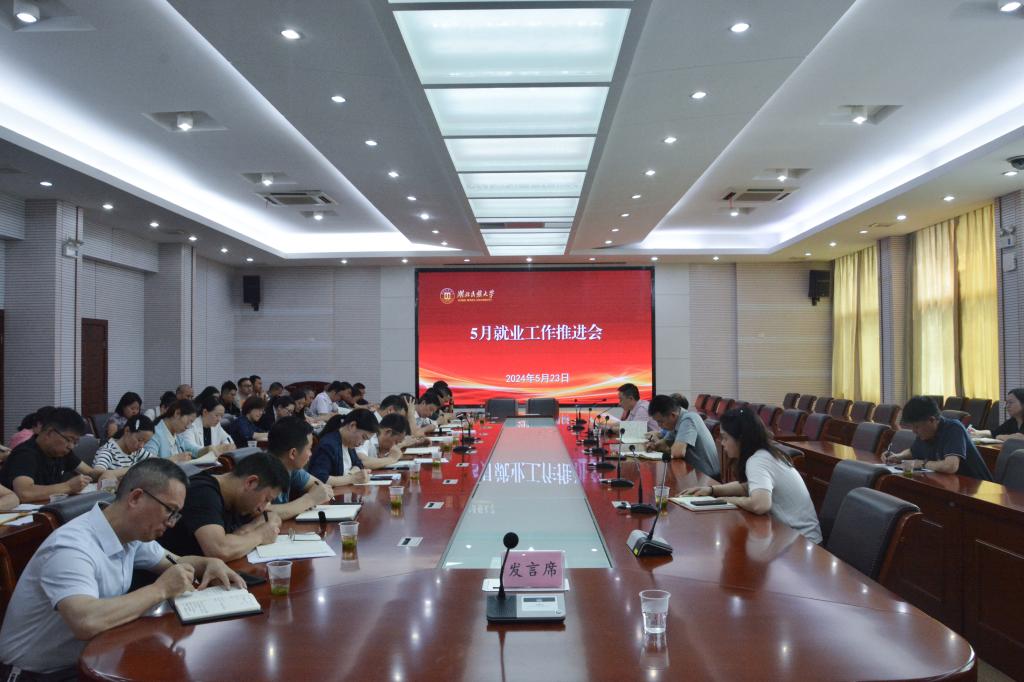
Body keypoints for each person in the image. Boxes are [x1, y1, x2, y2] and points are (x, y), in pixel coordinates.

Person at [0, 459, 244, 680]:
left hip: (95, 657)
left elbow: (174, 562)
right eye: (169, 511)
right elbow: (85, 620)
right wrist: (160, 590)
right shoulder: (71, 547)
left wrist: (208, 563)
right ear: (136, 498)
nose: (171, 523)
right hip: (40, 674)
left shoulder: (130, 534)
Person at [682, 407, 822, 543]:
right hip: (791, 537)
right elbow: (747, 487)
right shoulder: (763, 454)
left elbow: (760, 504)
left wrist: (727, 500)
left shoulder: (758, 460)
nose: (722, 443)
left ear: (741, 439)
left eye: (725, 438)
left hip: (803, 542)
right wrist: (712, 490)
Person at [158, 452, 288, 561]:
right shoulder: (202, 492)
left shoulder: (239, 501)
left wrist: (247, 530)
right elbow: (220, 550)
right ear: (251, 482)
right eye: (266, 499)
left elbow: (271, 517)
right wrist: (260, 535)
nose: (262, 508)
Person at [0, 408, 104, 503]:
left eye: (75, 442)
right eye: (69, 440)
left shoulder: (62, 452)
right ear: (50, 433)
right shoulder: (25, 454)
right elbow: (25, 493)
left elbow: (90, 473)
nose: (71, 446)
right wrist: (68, 486)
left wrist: (107, 473)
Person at [885, 396, 993, 480]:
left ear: (932, 420)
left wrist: (922, 464)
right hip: (951, 484)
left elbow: (950, 466)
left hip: (977, 489)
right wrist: (898, 456)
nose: (913, 431)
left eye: (916, 427)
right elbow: (913, 451)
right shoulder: (926, 432)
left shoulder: (953, 428)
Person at [266, 417, 334, 520]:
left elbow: (319, 486)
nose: (311, 454)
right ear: (293, 453)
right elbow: (263, 514)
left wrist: (315, 495)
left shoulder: (291, 468)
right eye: (309, 448)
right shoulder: (262, 472)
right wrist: (309, 500)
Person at [647, 394, 720, 479]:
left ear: (673, 415)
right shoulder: (675, 422)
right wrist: (654, 446)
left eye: (660, 421)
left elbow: (678, 452)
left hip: (708, 478)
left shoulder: (688, 419)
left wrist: (667, 448)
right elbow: (664, 444)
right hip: (693, 474)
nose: (659, 425)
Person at [308, 410, 377, 486]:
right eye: (363, 437)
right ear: (352, 426)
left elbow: (358, 464)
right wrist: (352, 478)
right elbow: (319, 479)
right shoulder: (328, 445)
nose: (362, 443)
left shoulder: (349, 443)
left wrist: (352, 473)